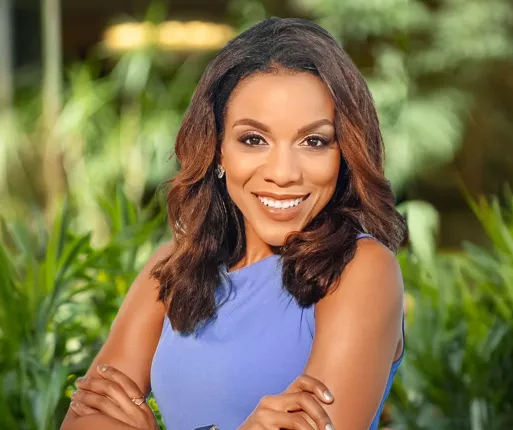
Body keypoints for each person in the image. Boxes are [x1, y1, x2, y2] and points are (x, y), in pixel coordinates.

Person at [60, 16, 407, 430]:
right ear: (219, 149)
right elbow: (86, 419)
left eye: (313, 141)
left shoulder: (361, 269)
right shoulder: (174, 266)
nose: (283, 173)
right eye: (253, 140)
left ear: (343, 153)